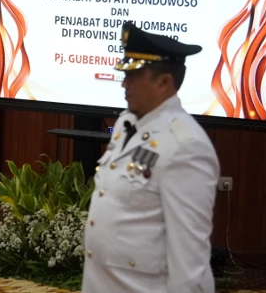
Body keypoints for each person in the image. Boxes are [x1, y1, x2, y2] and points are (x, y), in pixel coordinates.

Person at [81, 22, 220, 293]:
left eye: (134, 76)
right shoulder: (126, 124)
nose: (124, 83)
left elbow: (190, 262)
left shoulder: (186, 146)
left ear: (164, 82)